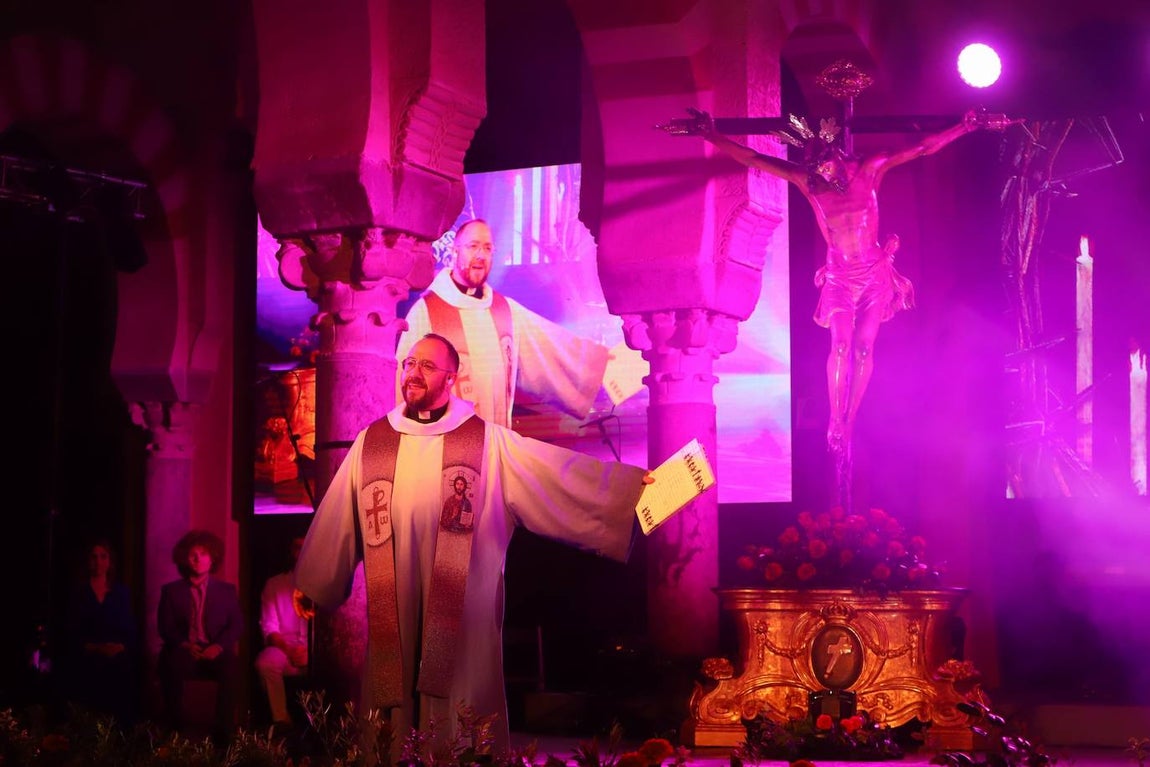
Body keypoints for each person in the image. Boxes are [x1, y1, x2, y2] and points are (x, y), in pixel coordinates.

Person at [294, 332, 652, 754]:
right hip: (396, 616)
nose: (413, 373)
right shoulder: (372, 444)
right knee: (391, 714)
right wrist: (313, 580)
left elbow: (558, 476)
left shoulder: (487, 443)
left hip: (461, 621)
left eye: (427, 366)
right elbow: (339, 517)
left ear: (451, 378)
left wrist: (629, 493)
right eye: (409, 364)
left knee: (460, 715)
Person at [669, 107, 985, 453]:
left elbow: (923, 148)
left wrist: (963, 128)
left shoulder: (871, 169)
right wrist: (711, 135)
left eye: (824, 166)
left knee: (864, 348)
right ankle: (836, 418)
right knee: (841, 345)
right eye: (814, 169)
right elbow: (754, 158)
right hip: (839, 277)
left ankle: (851, 417)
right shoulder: (808, 181)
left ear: (835, 153)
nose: (820, 174)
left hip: (873, 275)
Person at [396, 218, 614, 429]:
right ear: (455, 251)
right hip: (445, 447)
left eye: (488, 248)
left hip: (495, 443)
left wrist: (606, 366)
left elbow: (552, 349)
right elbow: (404, 386)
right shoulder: (426, 312)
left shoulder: (504, 310)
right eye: (473, 246)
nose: (481, 255)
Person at [156, 529, 244, 743]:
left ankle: (223, 735)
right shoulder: (171, 591)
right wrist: (185, 645)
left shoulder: (226, 590)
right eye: (192, 554)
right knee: (170, 664)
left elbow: (236, 625)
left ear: (211, 558)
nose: (197, 559)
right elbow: (165, 627)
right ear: (185, 559)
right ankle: (175, 730)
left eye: (203, 554)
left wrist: (219, 647)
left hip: (214, 649)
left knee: (231, 667)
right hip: (185, 650)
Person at [59, 538, 139, 725]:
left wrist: (120, 646)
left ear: (110, 561)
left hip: (116, 652)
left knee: (124, 670)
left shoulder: (121, 592)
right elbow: (71, 630)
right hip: (87, 651)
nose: (98, 561)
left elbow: (129, 626)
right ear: (87, 561)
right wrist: (93, 647)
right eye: (94, 557)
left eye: (103, 556)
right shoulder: (78, 593)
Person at [254, 535, 310, 731]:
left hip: (318, 652)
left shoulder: (326, 584)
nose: (301, 552)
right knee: (265, 663)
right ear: (291, 552)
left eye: (306, 547)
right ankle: (281, 721)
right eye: (297, 547)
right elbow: (269, 627)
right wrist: (289, 650)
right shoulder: (275, 585)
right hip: (285, 648)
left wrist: (311, 653)